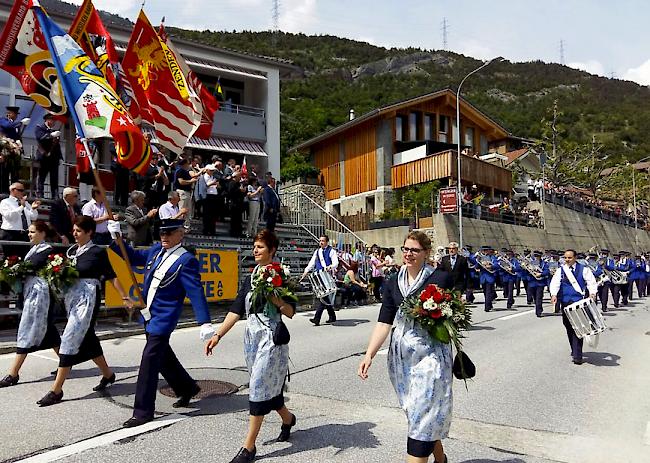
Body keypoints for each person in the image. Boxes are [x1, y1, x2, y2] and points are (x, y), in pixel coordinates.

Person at [358, 231, 453, 463]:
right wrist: (369, 354)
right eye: (406, 249)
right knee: (419, 414)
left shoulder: (440, 279)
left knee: (422, 417)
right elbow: (384, 321)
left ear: (426, 253)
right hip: (403, 361)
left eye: (414, 250)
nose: (409, 254)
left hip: (431, 358)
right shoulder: (392, 282)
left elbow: (453, 317)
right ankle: (441, 459)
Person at [109, 218, 214, 427]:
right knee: (164, 357)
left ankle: (142, 411)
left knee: (149, 360)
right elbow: (132, 257)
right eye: (161, 233)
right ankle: (187, 388)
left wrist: (205, 322)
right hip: (149, 314)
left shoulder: (186, 260)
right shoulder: (156, 250)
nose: (163, 237)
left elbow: (195, 291)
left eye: (169, 233)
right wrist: (116, 238)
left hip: (164, 318)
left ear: (180, 234)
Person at [205, 230, 297, 463]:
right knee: (267, 388)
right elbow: (236, 311)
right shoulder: (251, 277)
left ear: (272, 250)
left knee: (257, 387)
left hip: (271, 339)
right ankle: (288, 419)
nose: (255, 251)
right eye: (254, 246)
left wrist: (276, 298)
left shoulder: (281, 275)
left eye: (260, 247)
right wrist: (218, 335)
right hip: (252, 340)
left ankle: (249, 448)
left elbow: (291, 311)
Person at [37, 216, 130, 406]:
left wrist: (125, 296)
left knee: (70, 337)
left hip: (88, 299)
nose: (75, 234)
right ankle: (108, 374)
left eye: (78, 231)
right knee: (88, 339)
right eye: (74, 230)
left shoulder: (97, 252)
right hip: (72, 299)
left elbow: (112, 276)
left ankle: (57, 389)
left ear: (89, 233)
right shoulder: (73, 252)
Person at [0, 221, 60, 388]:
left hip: (39, 296)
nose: (29, 234)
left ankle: (13, 373)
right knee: (49, 331)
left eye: (32, 232)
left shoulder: (46, 250)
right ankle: (66, 362)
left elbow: (30, 266)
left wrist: (11, 269)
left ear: (42, 233)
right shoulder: (34, 249)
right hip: (32, 293)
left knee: (26, 329)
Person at [550, 249, 598, 365]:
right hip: (565, 301)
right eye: (565, 258)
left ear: (575, 258)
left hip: (578, 302)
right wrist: (554, 294)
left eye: (569, 258)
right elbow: (555, 283)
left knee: (578, 327)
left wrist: (592, 293)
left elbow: (591, 282)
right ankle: (574, 349)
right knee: (568, 326)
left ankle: (578, 355)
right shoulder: (561, 270)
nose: (567, 260)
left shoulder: (584, 269)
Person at [303, 235, 339, 325]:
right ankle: (332, 316)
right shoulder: (317, 251)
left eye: (323, 241)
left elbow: (335, 263)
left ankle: (317, 318)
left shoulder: (332, 251)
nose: (321, 242)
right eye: (320, 241)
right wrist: (306, 271)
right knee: (324, 296)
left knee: (324, 296)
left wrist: (330, 267)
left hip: (327, 276)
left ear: (327, 242)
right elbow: (312, 262)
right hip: (319, 277)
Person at [0, 182, 40, 258]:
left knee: (23, 258)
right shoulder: (5, 202)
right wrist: (21, 207)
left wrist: (33, 209)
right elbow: (9, 216)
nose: (23, 192)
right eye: (20, 190)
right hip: (10, 234)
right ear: (13, 190)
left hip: (24, 234)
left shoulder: (25, 203)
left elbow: (33, 217)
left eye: (23, 190)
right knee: (10, 259)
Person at [0, 106, 29, 189]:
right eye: (14, 113)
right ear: (9, 114)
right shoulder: (3, 120)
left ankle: (14, 190)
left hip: (14, 152)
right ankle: (4, 191)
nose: (16, 115)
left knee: (15, 173)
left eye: (16, 114)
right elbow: (8, 126)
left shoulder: (16, 125)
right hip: (5, 150)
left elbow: (18, 137)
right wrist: (21, 122)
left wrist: (20, 147)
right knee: (4, 172)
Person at [35, 114, 62, 199]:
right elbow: (40, 138)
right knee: (41, 177)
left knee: (54, 178)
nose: (54, 122)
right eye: (52, 120)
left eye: (55, 120)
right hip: (44, 157)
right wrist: (51, 135)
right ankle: (40, 194)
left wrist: (60, 157)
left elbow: (57, 146)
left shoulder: (54, 130)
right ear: (47, 120)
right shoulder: (40, 128)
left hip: (54, 158)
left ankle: (55, 195)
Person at [174, 158, 198, 228]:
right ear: (184, 164)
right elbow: (181, 182)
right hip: (182, 192)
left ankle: (186, 226)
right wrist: (191, 181)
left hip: (187, 192)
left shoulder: (185, 171)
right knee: (182, 209)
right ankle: (180, 226)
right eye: (188, 163)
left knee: (187, 210)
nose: (189, 165)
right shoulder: (180, 171)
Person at [527, 250, 550, 317]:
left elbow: (547, 271)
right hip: (532, 282)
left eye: (537, 256)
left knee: (539, 298)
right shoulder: (531, 263)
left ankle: (538, 311)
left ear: (540, 257)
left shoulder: (544, 263)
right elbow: (527, 271)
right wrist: (526, 269)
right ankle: (539, 307)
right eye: (535, 256)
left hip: (540, 283)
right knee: (535, 297)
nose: (536, 257)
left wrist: (541, 274)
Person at [476, 246, 497, 312]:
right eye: (483, 250)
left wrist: (490, 266)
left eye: (486, 250)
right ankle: (489, 304)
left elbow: (497, 265)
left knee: (488, 292)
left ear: (488, 251)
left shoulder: (492, 257)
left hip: (490, 277)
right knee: (485, 293)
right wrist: (478, 261)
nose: (484, 251)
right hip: (483, 277)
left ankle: (487, 307)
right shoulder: (480, 258)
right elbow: (476, 266)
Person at [227, 171, 246, 238]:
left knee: (239, 220)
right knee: (234, 220)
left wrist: (243, 191)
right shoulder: (232, 183)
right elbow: (230, 192)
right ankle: (233, 232)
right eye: (239, 176)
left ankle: (238, 232)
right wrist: (239, 190)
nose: (240, 178)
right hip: (234, 204)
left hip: (239, 204)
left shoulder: (238, 184)